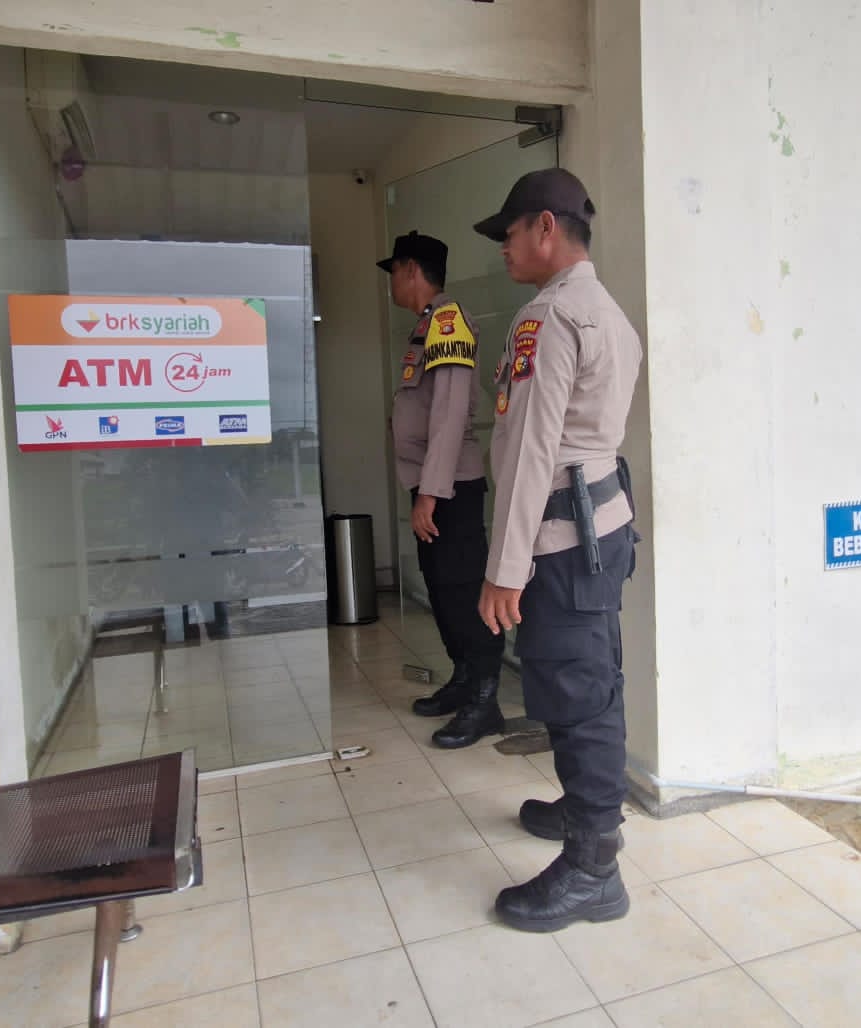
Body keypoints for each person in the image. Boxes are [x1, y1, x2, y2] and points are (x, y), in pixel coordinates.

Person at [471, 169, 643, 931]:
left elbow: (529, 450)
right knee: (592, 677)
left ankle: (593, 867)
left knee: (578, 691)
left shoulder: (548, 316)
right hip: (597, 530)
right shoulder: (605, 311)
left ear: (545, 226)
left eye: (508, 232)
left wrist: (505, 568)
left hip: (561, 538)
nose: (503, 247)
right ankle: (583, 809)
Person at [378, 231, 507, 749]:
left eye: (394, 271)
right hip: (432, 487)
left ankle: (486, 699)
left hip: (451, 488)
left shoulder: (448, 321)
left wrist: (431, 494)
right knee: (442, 591)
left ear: (411, 269)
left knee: (463, 591)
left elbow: (451, 413)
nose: (391, 282)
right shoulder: (427, 325)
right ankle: (464, 678)